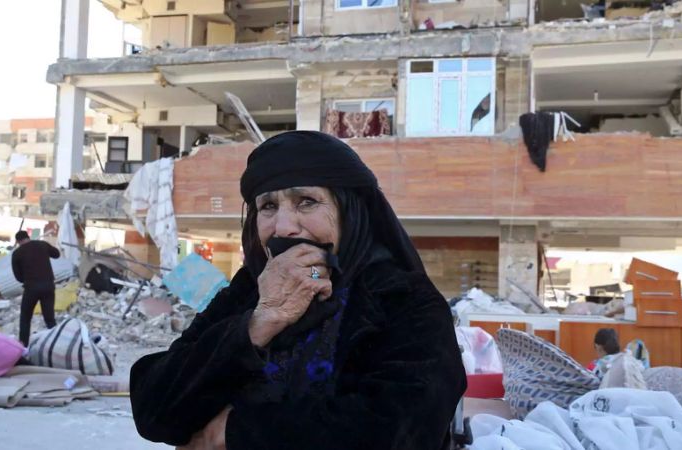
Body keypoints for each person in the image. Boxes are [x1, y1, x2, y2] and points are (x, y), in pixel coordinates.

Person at [130, 131, 465, 449]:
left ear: (350, 212)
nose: (284, 227)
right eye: (268, 207)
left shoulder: (404, 300)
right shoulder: (248, 293)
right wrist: (258, 324)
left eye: (306, 202)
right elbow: (154, 406)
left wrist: (231, 434)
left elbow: (399, 430)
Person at [11, 230, 60, 346]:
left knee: (25, 318)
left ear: (18, 242)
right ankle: (56, 345)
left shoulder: (17, 253)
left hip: (31, 288)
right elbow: (57, 254)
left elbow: (18, 277)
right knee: (50, 319)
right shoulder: (42, 244)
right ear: (28, 237)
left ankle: (24, 347)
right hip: (48, 286)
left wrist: (28, 278)